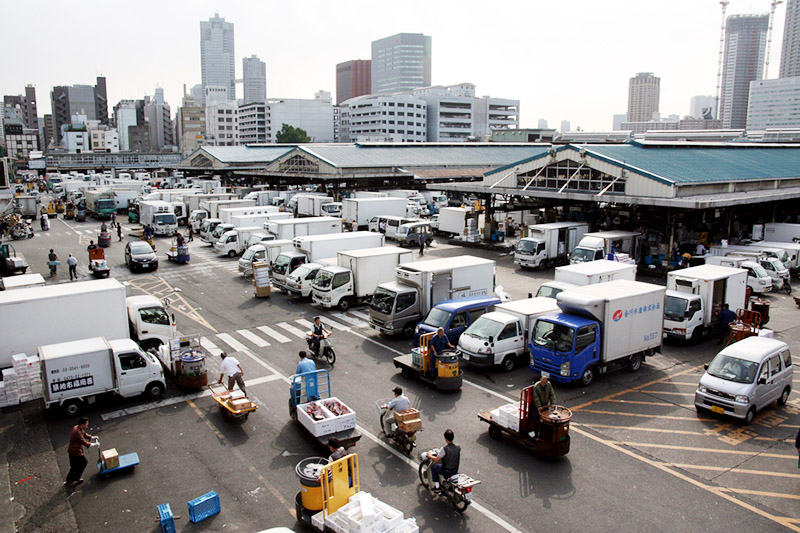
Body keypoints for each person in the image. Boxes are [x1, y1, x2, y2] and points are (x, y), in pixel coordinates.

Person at [65, 417, 93, 486]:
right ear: (82, 424)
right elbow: (83, 441)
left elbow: (84, 434)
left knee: (74, 466)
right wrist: (93, 444)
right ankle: (75, 478)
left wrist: (91, 437)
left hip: (73, 451)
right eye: (86, 424)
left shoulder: (77, 427)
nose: (87, 425)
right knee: (83, 462)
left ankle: (69, 480)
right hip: (75, 452)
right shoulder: (77, 433)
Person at [531, 372, 556, 438]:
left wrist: (552, 402)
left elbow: (551, 394)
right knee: (536, 419)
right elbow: (536, 397)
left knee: (546, 420)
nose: (543, 383)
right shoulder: (536, 386)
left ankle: (545, 434)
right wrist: (539, 406)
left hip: (545, 405)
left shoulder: (548, 385)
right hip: (538, 407)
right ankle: (536, 434)